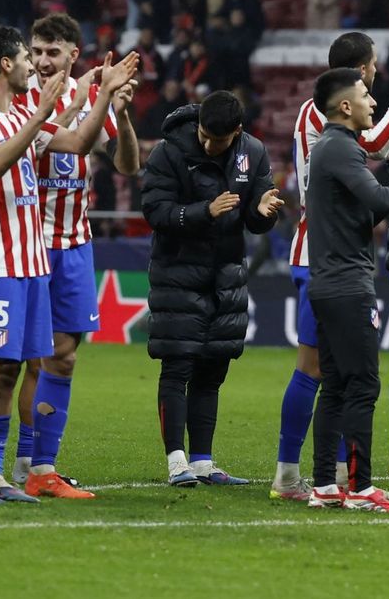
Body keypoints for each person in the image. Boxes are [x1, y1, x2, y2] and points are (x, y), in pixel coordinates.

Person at [0, 27, 135, 504]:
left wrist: (105, 96)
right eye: (28, 56)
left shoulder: (23, 114)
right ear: (6, 64)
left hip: (33, 266)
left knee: (9, 371)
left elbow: (77, 142)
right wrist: (42, 117)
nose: (35, 65)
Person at [272, 32, 389, 501]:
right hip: (321, 252)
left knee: (332, 375)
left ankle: (336, 474)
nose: (378, 77)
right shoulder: (325, 117)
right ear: (361, 74)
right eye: (375, 69)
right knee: (316, 368)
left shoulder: (328, 114)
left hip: (331, 248)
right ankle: (289, 472)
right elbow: (379, 144)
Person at [8, 13, 141, 498]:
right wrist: (90, 97)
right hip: (27, 246)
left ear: (72, 55)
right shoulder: (18, 99)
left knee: (60, 360)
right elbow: (30, 150)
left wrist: (120, 115)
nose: (43, 61)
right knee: (16, 362)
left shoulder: (92, 102)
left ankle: (39, 466)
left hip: (75, 246)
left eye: (53, 52)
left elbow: (127, 166)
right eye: (37, 51)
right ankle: (2, 458)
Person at [303, 68, 389, 514]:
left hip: (328, 284)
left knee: (337, 387)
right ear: (345, 106)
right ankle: (361, 488)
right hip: (347, 287)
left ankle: (326, 484)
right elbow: (381, 202)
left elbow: (361, 218)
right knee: (362, 385)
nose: (373, 102)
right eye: (366, 95)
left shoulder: (328, 149)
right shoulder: (342, 148)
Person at [142, 89, 282, 487]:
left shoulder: (252, 152)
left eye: (216, 140)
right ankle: (176, 461)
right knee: (178, 365)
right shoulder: (168, 153)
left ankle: (203, 461)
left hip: (226, 276)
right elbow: (155, 211)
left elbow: (256, 216)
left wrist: (263, 212)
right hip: (177, 273)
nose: (207, 144)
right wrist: (203, 211)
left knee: (212, 368)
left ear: (236, 132)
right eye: (203, 135)